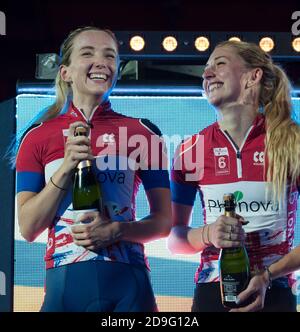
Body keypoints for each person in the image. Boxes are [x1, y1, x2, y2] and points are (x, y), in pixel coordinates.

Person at [15, 26, 171, 312]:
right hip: (65, 286)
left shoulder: (143, 132)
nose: (102, 62)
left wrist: (117, 231)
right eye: (88, 53)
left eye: (110, 56)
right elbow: (28, 227)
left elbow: (163, 222)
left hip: (130, 288)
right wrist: (66, 167)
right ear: (65, 72)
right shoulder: (37, 135)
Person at [168, 40, 300, 312]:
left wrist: (268, 275)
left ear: (253, 76)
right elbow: (175, 240)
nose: (206, 74)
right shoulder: (190, 150)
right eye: (206, 68)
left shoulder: (293, 143)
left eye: (220, 64)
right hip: (212, 292)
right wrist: (208, 233)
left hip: (274, 290)